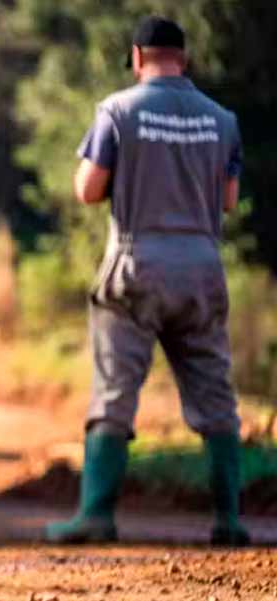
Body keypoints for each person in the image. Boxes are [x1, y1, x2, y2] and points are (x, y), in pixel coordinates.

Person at [45, 16, 249, 546]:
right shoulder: (222, 120)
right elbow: (227, 201)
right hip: (202, 270)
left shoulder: (118, 111)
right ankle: (228, 520)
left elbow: (89, 190)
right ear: (184, 58)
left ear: (137, 57)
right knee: (216, 398)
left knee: (115, 393)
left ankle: (96, 515)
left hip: (136, 270)